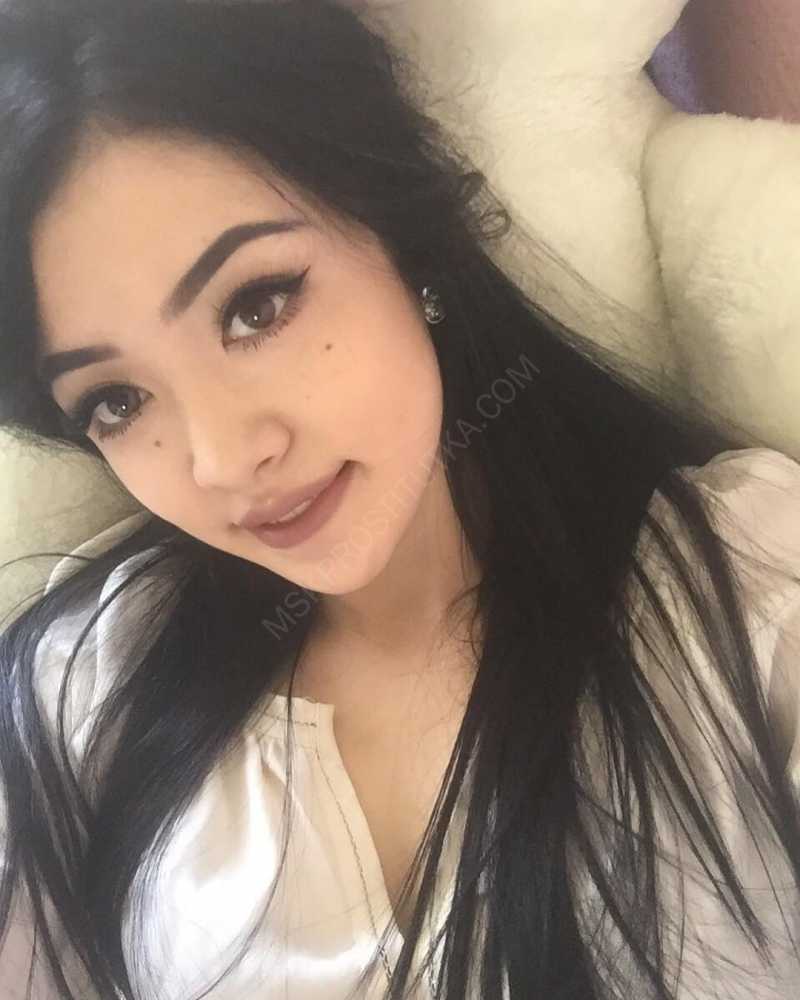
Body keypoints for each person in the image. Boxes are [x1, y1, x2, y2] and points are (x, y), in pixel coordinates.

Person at [0, 1, 798, 998]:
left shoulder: (749, 594)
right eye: (115, 402)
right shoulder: (83, 688)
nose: (222, 460)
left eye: (256, 305)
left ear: (402, 238)